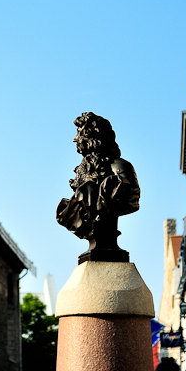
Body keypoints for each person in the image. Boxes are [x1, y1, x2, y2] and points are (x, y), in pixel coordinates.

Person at [56, 112, 140, 262]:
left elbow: (130, 194)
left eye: (80, 133)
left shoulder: (120, 167)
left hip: (110, 241)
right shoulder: (81, 172)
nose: (75, 139)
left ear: (92, 136)